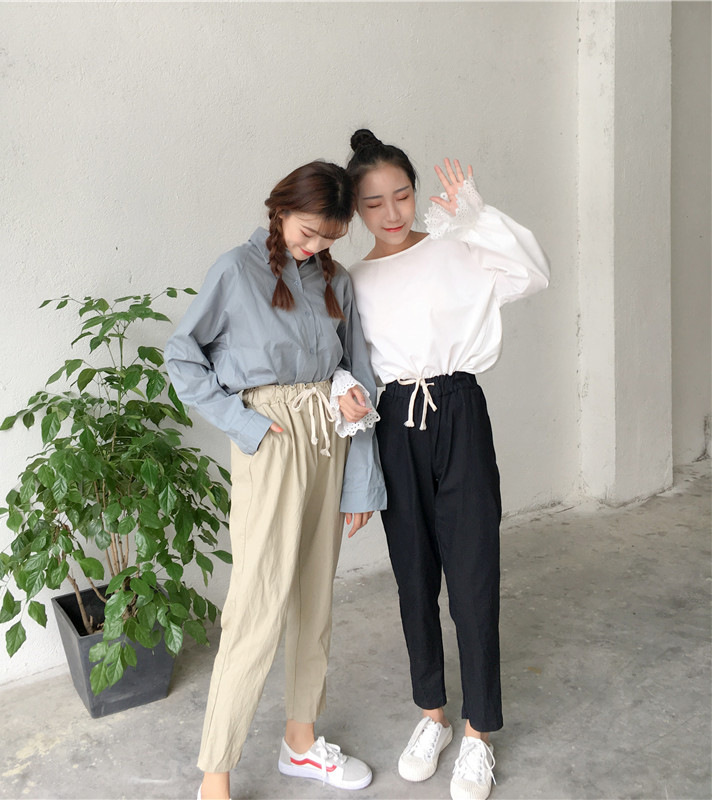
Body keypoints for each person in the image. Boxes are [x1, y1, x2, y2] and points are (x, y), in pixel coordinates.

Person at [165, 160, 386, 800]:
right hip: (272, 440)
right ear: (282, 210)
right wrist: (244, 424)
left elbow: (358, 374)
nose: (315, 246)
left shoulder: (336, 281)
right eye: (309, 231)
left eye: (329, 238)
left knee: (316, 601)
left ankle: (300, 741)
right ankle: (216, 774)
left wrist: (360, 481)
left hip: (330, 440)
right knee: (256, 606)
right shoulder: (236, 271)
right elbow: (182, 356)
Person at [344, 129, 549, 800]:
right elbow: (345, 364)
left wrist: (474, 216)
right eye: (374, 203)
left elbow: (531, 275)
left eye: (402, 195)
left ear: (415, 193)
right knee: (413, 579)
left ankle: (478, 732)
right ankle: (430, 714)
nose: (392, 212)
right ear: (356, 210)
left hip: (458, 408)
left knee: (473, 577)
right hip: (392, 421)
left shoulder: (453, 246)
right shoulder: (354, 281)